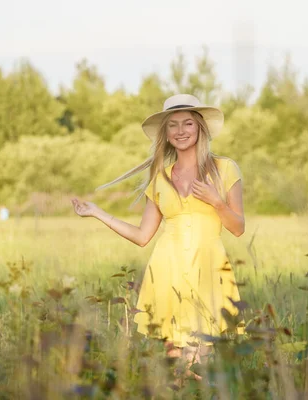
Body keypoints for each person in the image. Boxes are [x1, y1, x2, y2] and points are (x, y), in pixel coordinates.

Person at [71, 94, 245, 375]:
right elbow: (142, 236)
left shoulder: (224, 169)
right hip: (167, 271)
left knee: (204, 363)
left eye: (188, 123)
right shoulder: (160, 178)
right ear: (165, 133)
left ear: (200, 127)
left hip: (209, 269)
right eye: (173, 125)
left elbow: (238, 228)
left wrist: (217, 202)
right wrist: (97, 213)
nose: (181, 131)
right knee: (176, 366)